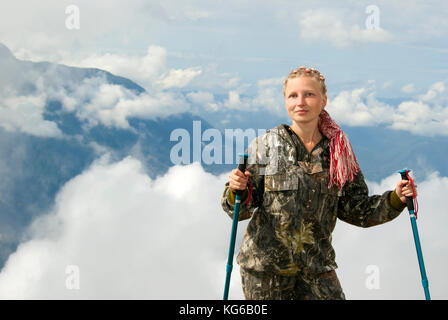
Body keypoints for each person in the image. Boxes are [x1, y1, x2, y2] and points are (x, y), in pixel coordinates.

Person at [220, 66, 417, 300]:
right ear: (285, 100)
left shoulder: (339, 153)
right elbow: (238, 210)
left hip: (316, 268)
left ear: (323, 100)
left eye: (309, 94)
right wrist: (236, 190)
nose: (300, 102)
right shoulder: (265, 146)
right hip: (265, 271)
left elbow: (359, 211)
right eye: (293, 95)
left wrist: (396, 199)